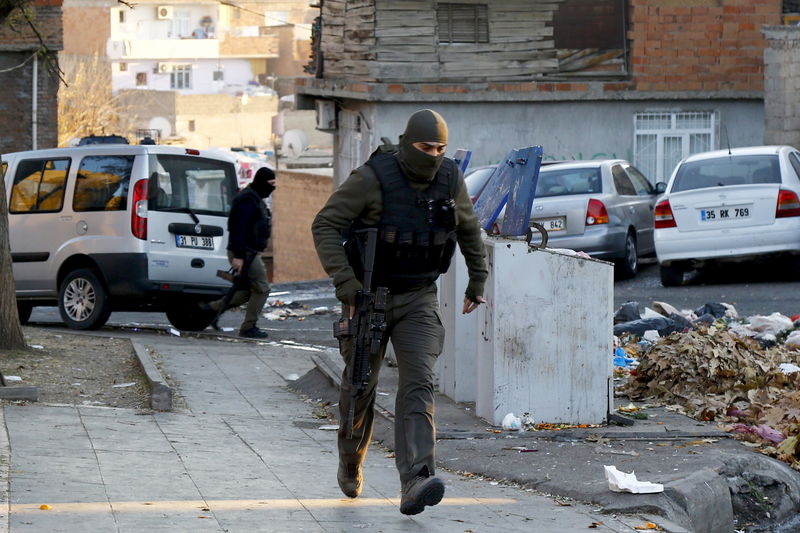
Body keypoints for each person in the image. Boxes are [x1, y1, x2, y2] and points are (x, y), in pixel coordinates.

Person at [311, 109, 487, 515]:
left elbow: (468, 228)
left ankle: (417, 479)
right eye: (426, 148)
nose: (434, 156)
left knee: (419, 384)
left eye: (441, 149)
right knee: (359, 387)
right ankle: (351, 459)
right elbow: (325, 224)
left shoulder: (449, 178)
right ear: (408, 144)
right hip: (367, 297)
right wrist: (346, 283)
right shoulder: (373, 179)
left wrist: (478, 281)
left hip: (419, 297)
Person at [203, 166, 275, 338]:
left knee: (246, 292)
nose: (272, 188)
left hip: (249, 252)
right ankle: (248, 327)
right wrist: (239, 257)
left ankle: (209, 310)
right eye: (270, 184)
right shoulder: (247, 200)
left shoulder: (254, 197)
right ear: (261, 182)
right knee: (262, 288)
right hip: (245, 252)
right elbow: (239, 230)